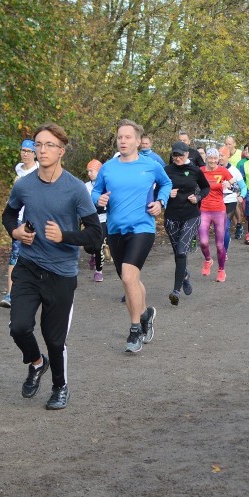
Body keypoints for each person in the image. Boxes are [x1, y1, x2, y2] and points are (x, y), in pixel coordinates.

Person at [1, 123, 101, 410]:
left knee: (54, 338)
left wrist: (65, 236)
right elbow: (8, 214)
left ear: (61, 151)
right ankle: (36, 363)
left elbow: (95, 235)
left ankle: (60, 386)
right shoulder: (24, 185)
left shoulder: (75, 189)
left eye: (48, 145)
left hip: (61, 273)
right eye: (38, 145)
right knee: (19, 327)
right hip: (29, 265)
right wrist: (15, 231)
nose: (41, 150)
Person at [90, 119, 172, 353]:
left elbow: (166, 184)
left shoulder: (150, 165)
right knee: (130, 280)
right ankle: (146, 314)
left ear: (138, 141)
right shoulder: (108, 167)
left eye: (128, 137)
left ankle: (135, 330)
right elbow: (96, 190)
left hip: (142, 228)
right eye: (120, 137)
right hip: (116, 230)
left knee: (128, 277)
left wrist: (160, 202)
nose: (123, 141)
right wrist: (98, 199)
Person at [164, 141, 210, 305]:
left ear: (186, 155)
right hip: (171, 217)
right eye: (174, 155)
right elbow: (156, 190)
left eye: (180, 155)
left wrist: (197, 198)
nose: (176, 158)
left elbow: (206, 188)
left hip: (191, 215)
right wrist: (167, 193)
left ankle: (176, 291)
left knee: (182, 251)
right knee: (178, 252)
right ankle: (184, 275)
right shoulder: (166, 171)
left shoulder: (195, 170)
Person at [0, 140, 39, 307]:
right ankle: (10, 294)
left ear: (34, 154)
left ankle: (35, 291)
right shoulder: (18, 170)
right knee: (15, 255)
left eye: (29, 151)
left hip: (35, 218)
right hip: (18, 218)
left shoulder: (39, 171)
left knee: (35, 254)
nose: (25, 154)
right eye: (23, 150)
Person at [198, 147, 233, 284]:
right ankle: (208, 260)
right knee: (203, 241)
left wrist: (228, 183)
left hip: (219, 210)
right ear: (206, 158)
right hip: (204, 209)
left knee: (219, 244)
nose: (212, 161)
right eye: (210, 158)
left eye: (215, 158)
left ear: (218, 159)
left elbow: (234, 184)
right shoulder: (201, 171)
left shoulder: (223, 171)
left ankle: (221, 270)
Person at [84, 159, 109, 283]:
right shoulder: (86, 186)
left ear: (99, 172)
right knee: (88, 247)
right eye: (88, 171)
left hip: (103, 220)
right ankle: (92, 254)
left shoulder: (107, 185)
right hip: (90, 220)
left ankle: (99, 271)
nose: (89, 173)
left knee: (99, 246)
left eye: (91, 171)